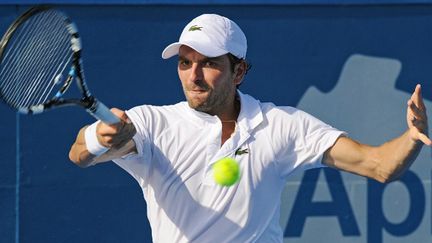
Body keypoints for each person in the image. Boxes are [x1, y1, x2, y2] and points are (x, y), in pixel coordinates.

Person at [69, 13, 431, 243]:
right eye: (184, 62)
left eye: (208, 63)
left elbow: (378, 165)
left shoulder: (282, 126)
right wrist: (100, 139)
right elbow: (80, 156)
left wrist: (412, 137)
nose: (193, 76)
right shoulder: (152, 123)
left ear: (238, 72)